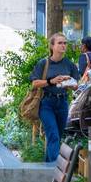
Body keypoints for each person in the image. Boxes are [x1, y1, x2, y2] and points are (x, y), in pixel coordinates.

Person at [30, 32, 82, 162]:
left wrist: (68, 82)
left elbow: (76, 85)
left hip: (62, 102)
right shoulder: (44, 63)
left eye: (65, 43)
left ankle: (48, 169)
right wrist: (51, 81)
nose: (63, 45)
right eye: (60, 43)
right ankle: (54, 167)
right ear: (52, 46)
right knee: (53, 134)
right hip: (46, 103)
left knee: (57, 136)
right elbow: (34, 83)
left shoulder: (69, 64)